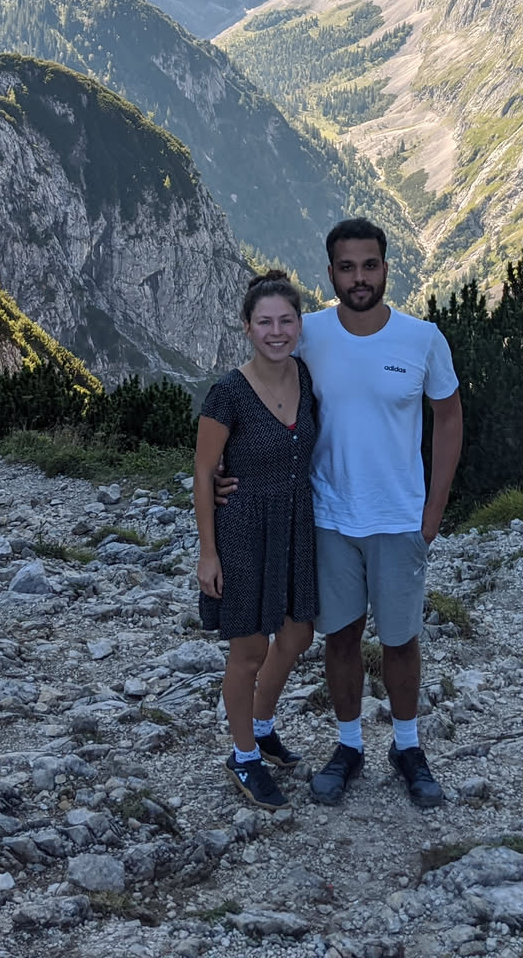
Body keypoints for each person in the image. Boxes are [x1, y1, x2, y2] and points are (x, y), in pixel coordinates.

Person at [221, 218, 464, 809]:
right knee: (342, 637)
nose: (360, 278)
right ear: (330, 273)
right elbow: (262, 387)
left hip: (399, 519)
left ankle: (407, 746)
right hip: (328, 518)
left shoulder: (423, 338)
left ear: (386, 269)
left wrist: (433, 510)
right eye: (347, 267)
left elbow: (449, 417)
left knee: (401, 640)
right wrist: (229, 465)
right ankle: (349, 745)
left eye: (369, 266)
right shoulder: (311, 334)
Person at [192, 270, 320, 811]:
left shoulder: (305, 377)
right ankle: (243, 755)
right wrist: (208, 553)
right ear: (246, 327)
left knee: (297, 635)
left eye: (286, 320)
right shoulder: (228, 393)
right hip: (243, 530)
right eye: (264, 322)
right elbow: (204, 473)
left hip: (295, 527)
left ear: (299, 324)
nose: (276, 331)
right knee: (249, 651)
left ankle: (262, 727)